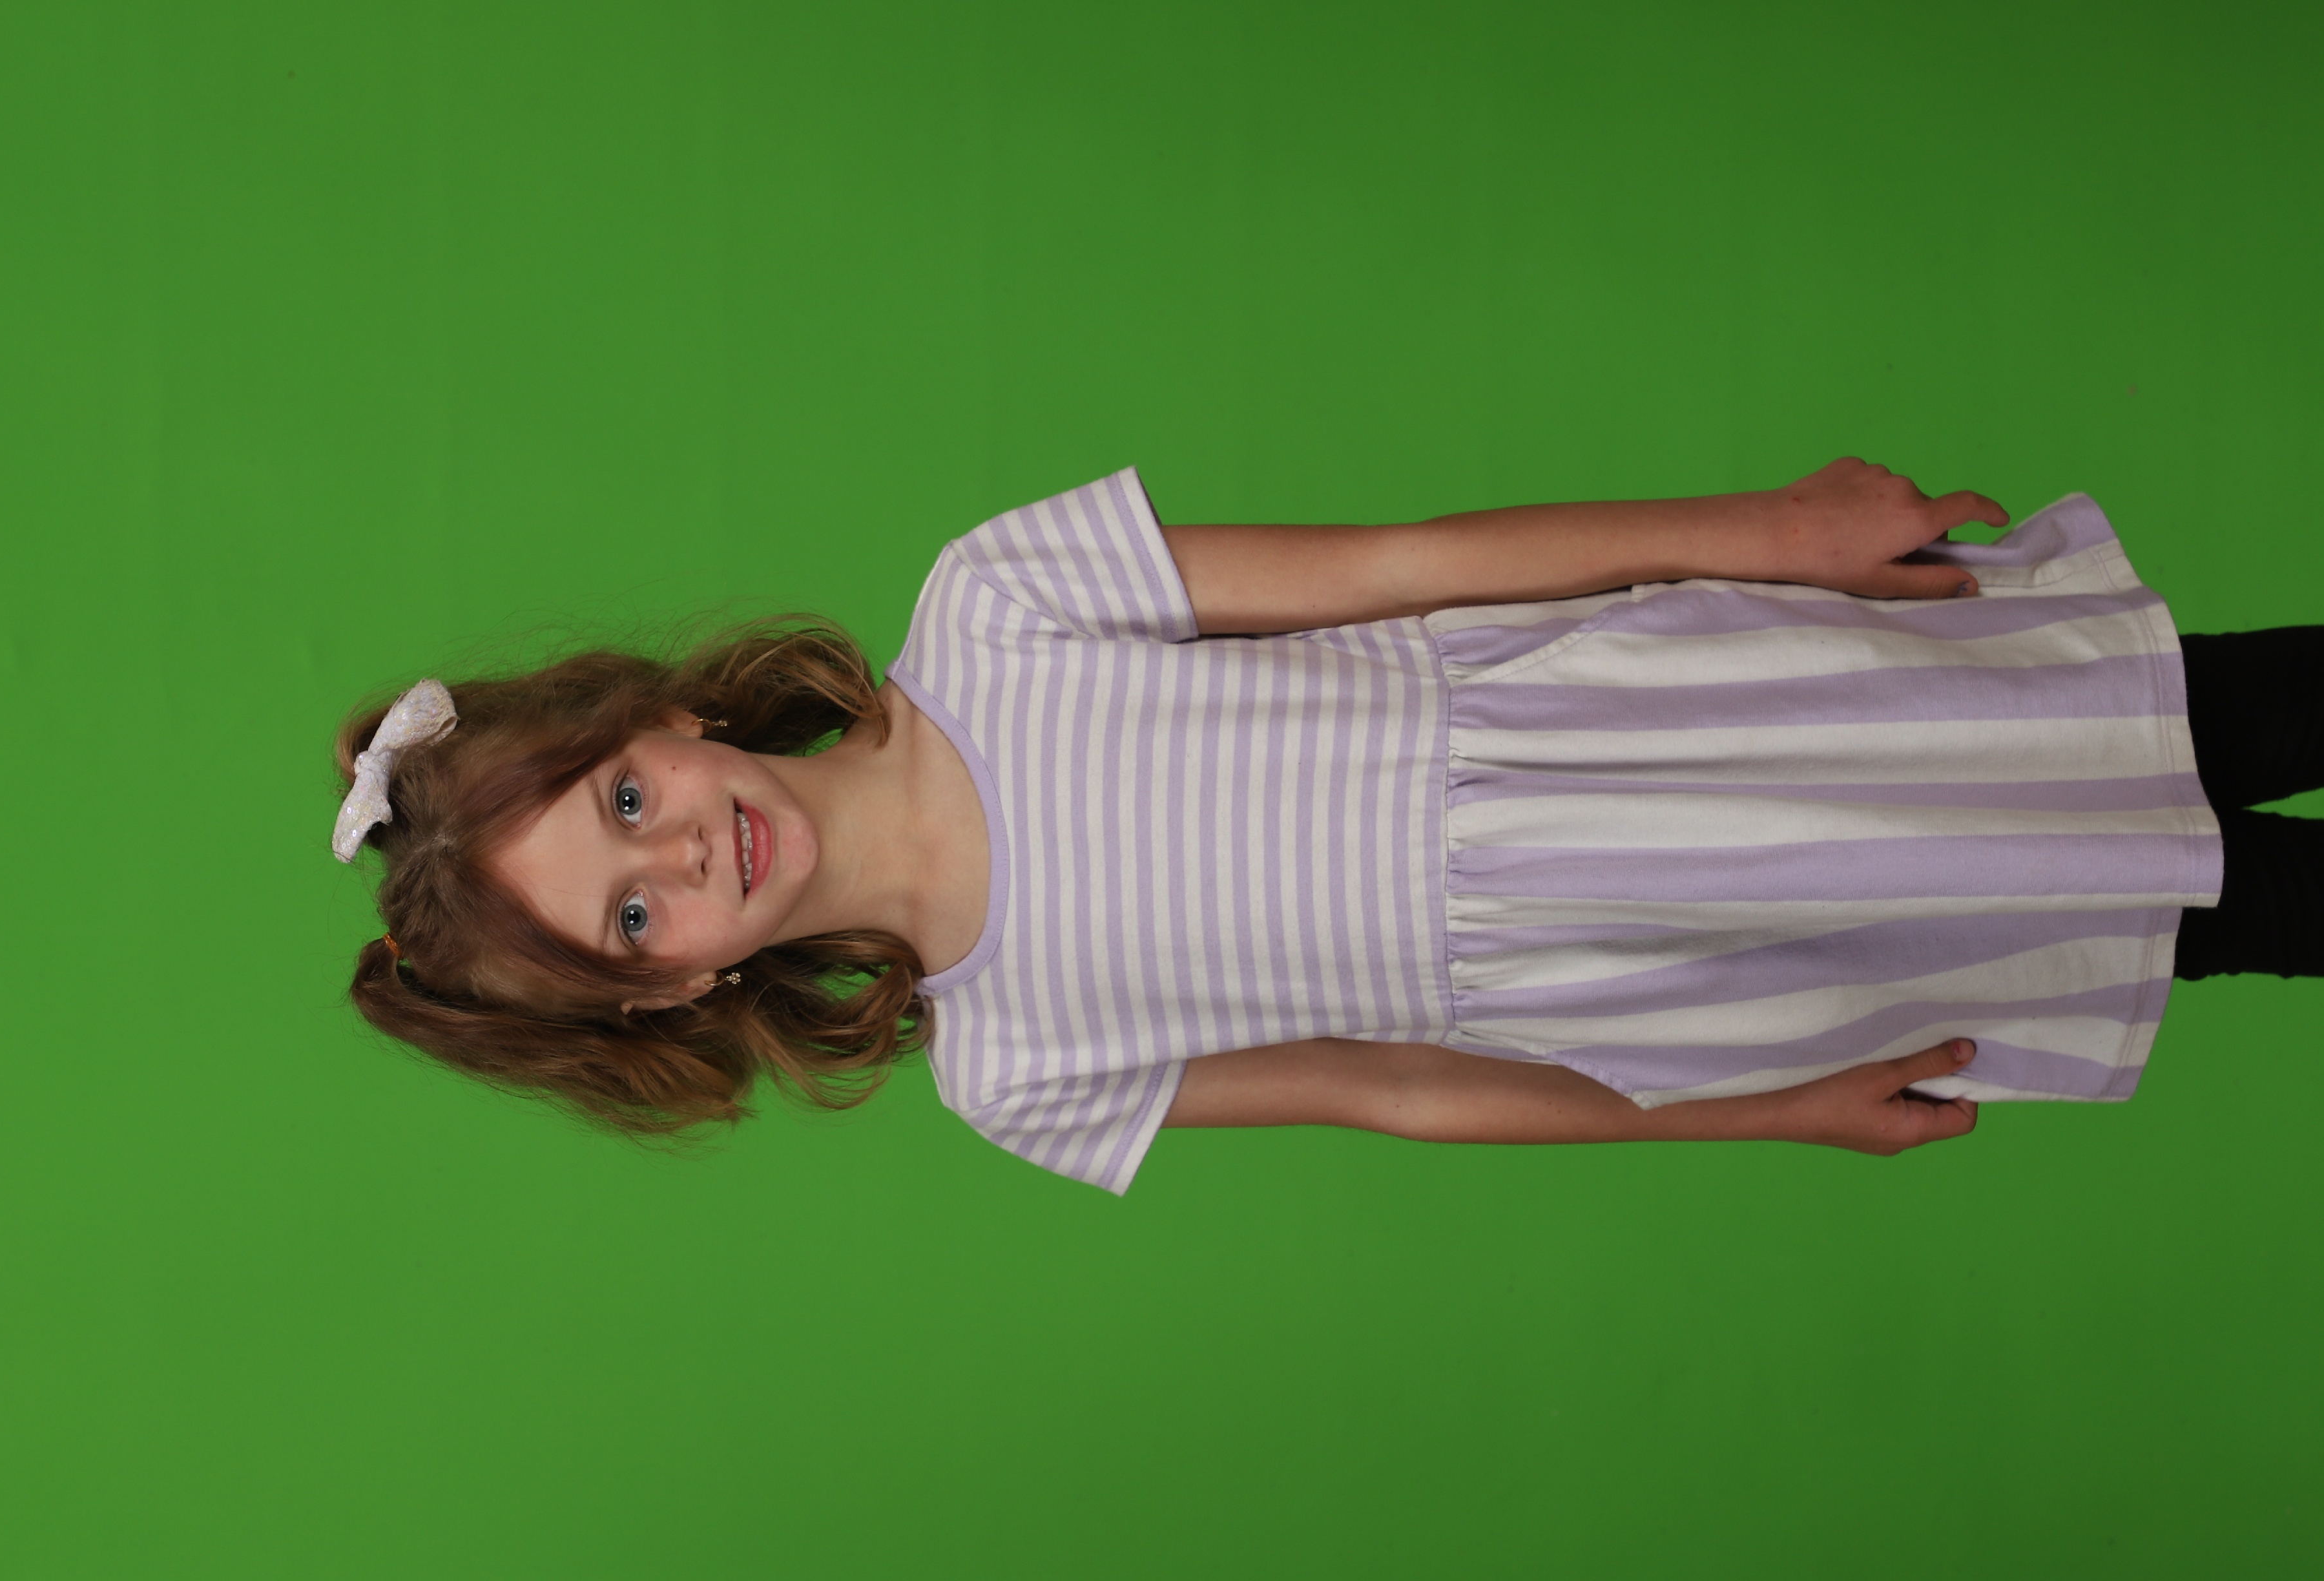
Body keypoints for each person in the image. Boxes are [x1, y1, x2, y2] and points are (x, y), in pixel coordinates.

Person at [330, 459, 2318, 1193]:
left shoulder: (996, 600)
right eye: (632, 917)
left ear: (658, 721)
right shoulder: (1015, 1076)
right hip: (1654, 959)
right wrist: (1768, 1111)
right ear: (668, 995)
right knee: (2208, 909)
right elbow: (1404, 1095)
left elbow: (1402, 560)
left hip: (1672, 723)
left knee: (2191, 712)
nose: (681, 858)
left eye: (628, 804)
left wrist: (1767, 533)